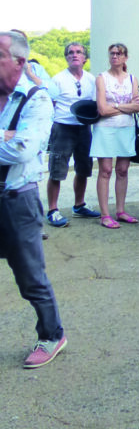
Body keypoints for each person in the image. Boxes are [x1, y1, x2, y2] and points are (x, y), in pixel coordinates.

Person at [0, 31, 67, 368]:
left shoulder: (37, 99)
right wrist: (5, 136)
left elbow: (22, 149)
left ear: (19, 61)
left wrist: (11, 140)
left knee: (30, 276)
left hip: (16, 201)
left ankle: (52, 334)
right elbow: (9, 145)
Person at [46, 40, 100, 226]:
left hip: (84, 128)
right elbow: (49, 105)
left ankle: (79, 205)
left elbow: (95, 103)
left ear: (85, 58)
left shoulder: (91, 79)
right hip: (62, 128)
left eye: (78, 52)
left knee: (84, 168)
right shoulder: (58, 79)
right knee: (57, 170)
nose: (74, 54)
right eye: (70, 52)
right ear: (66, 57)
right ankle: (53, 210)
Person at [90, 43, 139, 228]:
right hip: (105, 129)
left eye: (119, 54)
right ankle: (105, 214)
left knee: (122, 170)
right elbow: (102, 110)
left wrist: (117, 107)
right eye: (112, 53)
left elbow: (137, 107)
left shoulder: (132, 79)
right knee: (105, 170)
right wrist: (125, 107)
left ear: (125, 57)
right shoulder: (102, 78)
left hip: (126, 128)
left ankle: (120, 210)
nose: (115, 56)